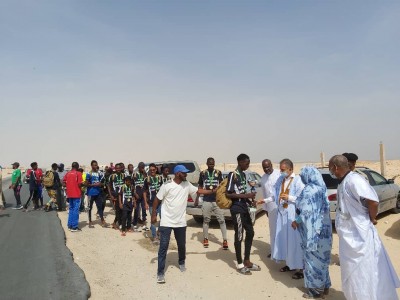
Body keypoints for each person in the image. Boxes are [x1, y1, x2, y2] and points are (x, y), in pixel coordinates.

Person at [329, 155, 400, 300]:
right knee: (353, 273)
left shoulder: (355, 180)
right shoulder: (343, 182)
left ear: (335, 168)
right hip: (349, 238)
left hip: (360, 236)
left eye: (330, 167)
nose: (330, 170)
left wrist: (371, 218)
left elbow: (373, 201)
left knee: (365, 270)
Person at [151, 165, 214, 284]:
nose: (186, 175)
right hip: (166, 222)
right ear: (177, 173)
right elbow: (156, 200)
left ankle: (181, 262)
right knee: (163, 247)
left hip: (180, 222)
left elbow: (199, 191)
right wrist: (153, 214)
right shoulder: (167, 185)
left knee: (181, 245)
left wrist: (212, 191)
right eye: (184, 173)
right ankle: (160, 273)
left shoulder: (187, 184)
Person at [291, 166, 332, 299]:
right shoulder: (322, 188)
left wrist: (296, 221)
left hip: (312, 233)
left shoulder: (309, 190)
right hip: (324, 232)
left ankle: (315, 291)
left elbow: (306, 212)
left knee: (312, 261)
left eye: (303, 175)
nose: (302, 178)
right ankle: (325, 287)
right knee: (323, 259)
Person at [226, 154, 259, 275]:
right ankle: (240, 264)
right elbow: (229, 194)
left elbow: (242, 191)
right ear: (240, 162)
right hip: (236, 209)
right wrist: (246, 196)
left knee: (250, 232)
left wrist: (250, 201)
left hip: (244, 207)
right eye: (246, 163)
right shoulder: (232, 175)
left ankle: (247, 261)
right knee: (239, 235)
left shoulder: (243, 175)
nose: (248, 165)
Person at [272, 158, 305, 279]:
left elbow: (303, 198)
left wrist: (289, 197)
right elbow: (274, 194)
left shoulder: (298, 180)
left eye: (283, 170)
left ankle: (300, 268)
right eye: (280, 170)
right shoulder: (281, 179)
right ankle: (289, 263)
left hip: (292, 215)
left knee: (294, 241)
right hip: (282, 214)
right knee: (285, 240)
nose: (281, 172)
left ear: (291, 169)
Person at [195, 157, 228, 249]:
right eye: (209, 164)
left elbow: (222, 186)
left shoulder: (218, 173)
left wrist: (223, 198)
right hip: (206, 201)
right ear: (206, 164)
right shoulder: (203, 173)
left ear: (214, 164)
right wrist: (197, 199)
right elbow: (200, 187)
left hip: (217, 201)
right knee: (206, 220)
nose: (211, 165)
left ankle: (225, 240)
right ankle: (205, 238)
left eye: (212, 164)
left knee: (221, 220)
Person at [256, 159, 280, 258]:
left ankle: (282, 252)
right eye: (264, 167)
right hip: (270, 209)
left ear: (271, 165)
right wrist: (265, 209)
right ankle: (274, 251)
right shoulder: (263, 178)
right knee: (273, 231)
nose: (266, 169)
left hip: (281, 208)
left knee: (282, 231)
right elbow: (265, 194)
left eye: (268, 166)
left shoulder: (279, 174)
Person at [143, 163, 163, 242]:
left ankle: (159, 232)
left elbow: (163, 189)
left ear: (156, 170)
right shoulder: (146, 179)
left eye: (154, 170)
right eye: (151, 170)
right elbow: (144, 192)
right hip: (151, 203)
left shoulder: (159, 178)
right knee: (153, 220)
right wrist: (145, 203)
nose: (152, 171)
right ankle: (155, 237)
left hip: (160, 203)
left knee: (164, 218)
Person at [86, 160, 107, 227]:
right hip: (90, 193)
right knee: (90, 208)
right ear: (91, 166)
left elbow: (103, 183)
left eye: (96, 165)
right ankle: (90, 221)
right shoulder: (89, 173)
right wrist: (94, 185)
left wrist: (100, 184)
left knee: (100, 207)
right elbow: (86, 184)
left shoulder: (99, 173)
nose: (96, 166)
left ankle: (102, 220)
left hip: (98, 193)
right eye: (94, 165)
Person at [63, 162, 83, 232]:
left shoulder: (68, 173)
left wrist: (69, 187)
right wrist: (84, 183)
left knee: (71, 209)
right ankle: (74, 227)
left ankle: (69, 225)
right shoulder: (78, 173)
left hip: (70, 194)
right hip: (76, 194)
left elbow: (63, 182)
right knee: (75, 210)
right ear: (77, 166)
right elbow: (80, 184)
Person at [107, 163, 125, 230]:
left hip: (123, 195)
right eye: (116, 168)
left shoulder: (124, 175)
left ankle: (115, 223)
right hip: (115, 196)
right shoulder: (112, 176)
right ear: (115, 169)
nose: (118, 169)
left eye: (119, 168)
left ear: (121, 168)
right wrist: (110, 195)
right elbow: (108, 186)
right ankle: (119, 224)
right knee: (117, 210)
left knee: (122, 210)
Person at [132, 162, 148, 231]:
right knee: (137, 209)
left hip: (143, 194)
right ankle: (135, 223)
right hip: (137, 194)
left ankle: (144, 223)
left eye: (143, 167)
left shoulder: (145, 174)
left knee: (144, 209)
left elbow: (147, 184)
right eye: (141, 167)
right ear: (138, 167)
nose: (142, 168)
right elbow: (132, 185)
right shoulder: (135, 174)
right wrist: (135, 194)